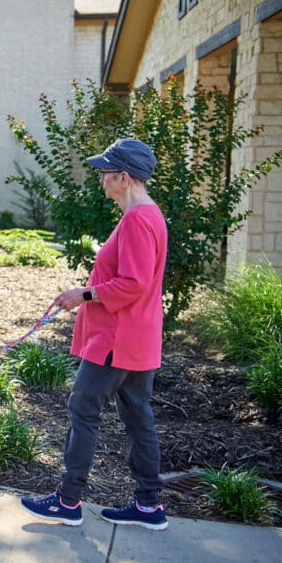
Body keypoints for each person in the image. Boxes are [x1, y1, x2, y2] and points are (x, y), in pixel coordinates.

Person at [20, 138, 169, 531]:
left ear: (123, 177)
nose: (101, 179)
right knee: (138, 416)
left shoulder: (138, 219)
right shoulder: (151, 214)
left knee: (83, 409)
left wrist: (82, 294)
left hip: (116, 338)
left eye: (105, 173)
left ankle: (68, 501)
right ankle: (149, 506)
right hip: (139, 337)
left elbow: (133, 283)